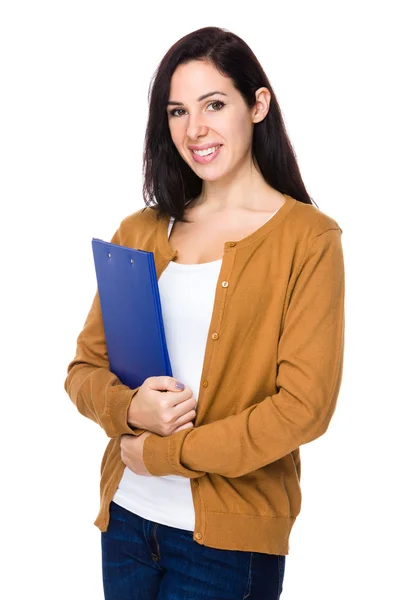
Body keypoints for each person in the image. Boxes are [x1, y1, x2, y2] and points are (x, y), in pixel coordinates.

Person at [64, 26, 345, 600]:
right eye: (177, 110)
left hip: (227, 547)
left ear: (258, 104)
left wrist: (167, 453)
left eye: (214, 104)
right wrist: (129, 407)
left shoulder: (308, 239)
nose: (195, 130)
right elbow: (83, 371)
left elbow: (303, 410)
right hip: (126, 521)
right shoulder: (141, 231)